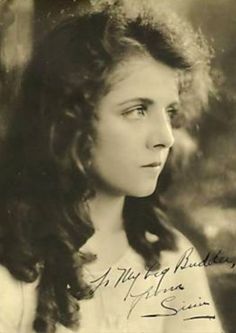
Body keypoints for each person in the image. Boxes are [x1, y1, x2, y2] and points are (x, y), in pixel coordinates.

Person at [0, 1, 223, 332]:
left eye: (171, 113)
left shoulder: (170, 259)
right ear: (70, 121)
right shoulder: (14, 266)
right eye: (137, 110)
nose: (166, 137)